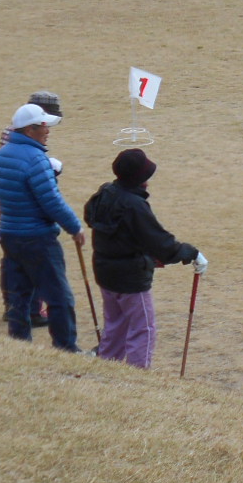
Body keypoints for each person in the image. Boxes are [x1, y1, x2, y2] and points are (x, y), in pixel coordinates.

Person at [85, 149, 207, 368]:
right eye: (144, 177)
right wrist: (190, 252)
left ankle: (106, 371)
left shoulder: (105, 192)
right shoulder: (134, 205)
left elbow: (92, 217)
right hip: (131, 278)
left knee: (115, 326)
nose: (147, 183)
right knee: (143, 329)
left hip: (105, 271)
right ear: (136, 178)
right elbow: (160, 243)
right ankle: (138, 380)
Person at [0, 102, 84, 352]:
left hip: (11, 236)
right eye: (43, 126)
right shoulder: (36, 159)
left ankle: (20, 346)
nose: (47, 130)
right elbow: (50, 201)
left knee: (19, 296)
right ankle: (66, 349)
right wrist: (75, 227)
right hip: (38, 238)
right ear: (29, 130)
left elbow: (0, 195)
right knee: (59, 297)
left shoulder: (1, 156)